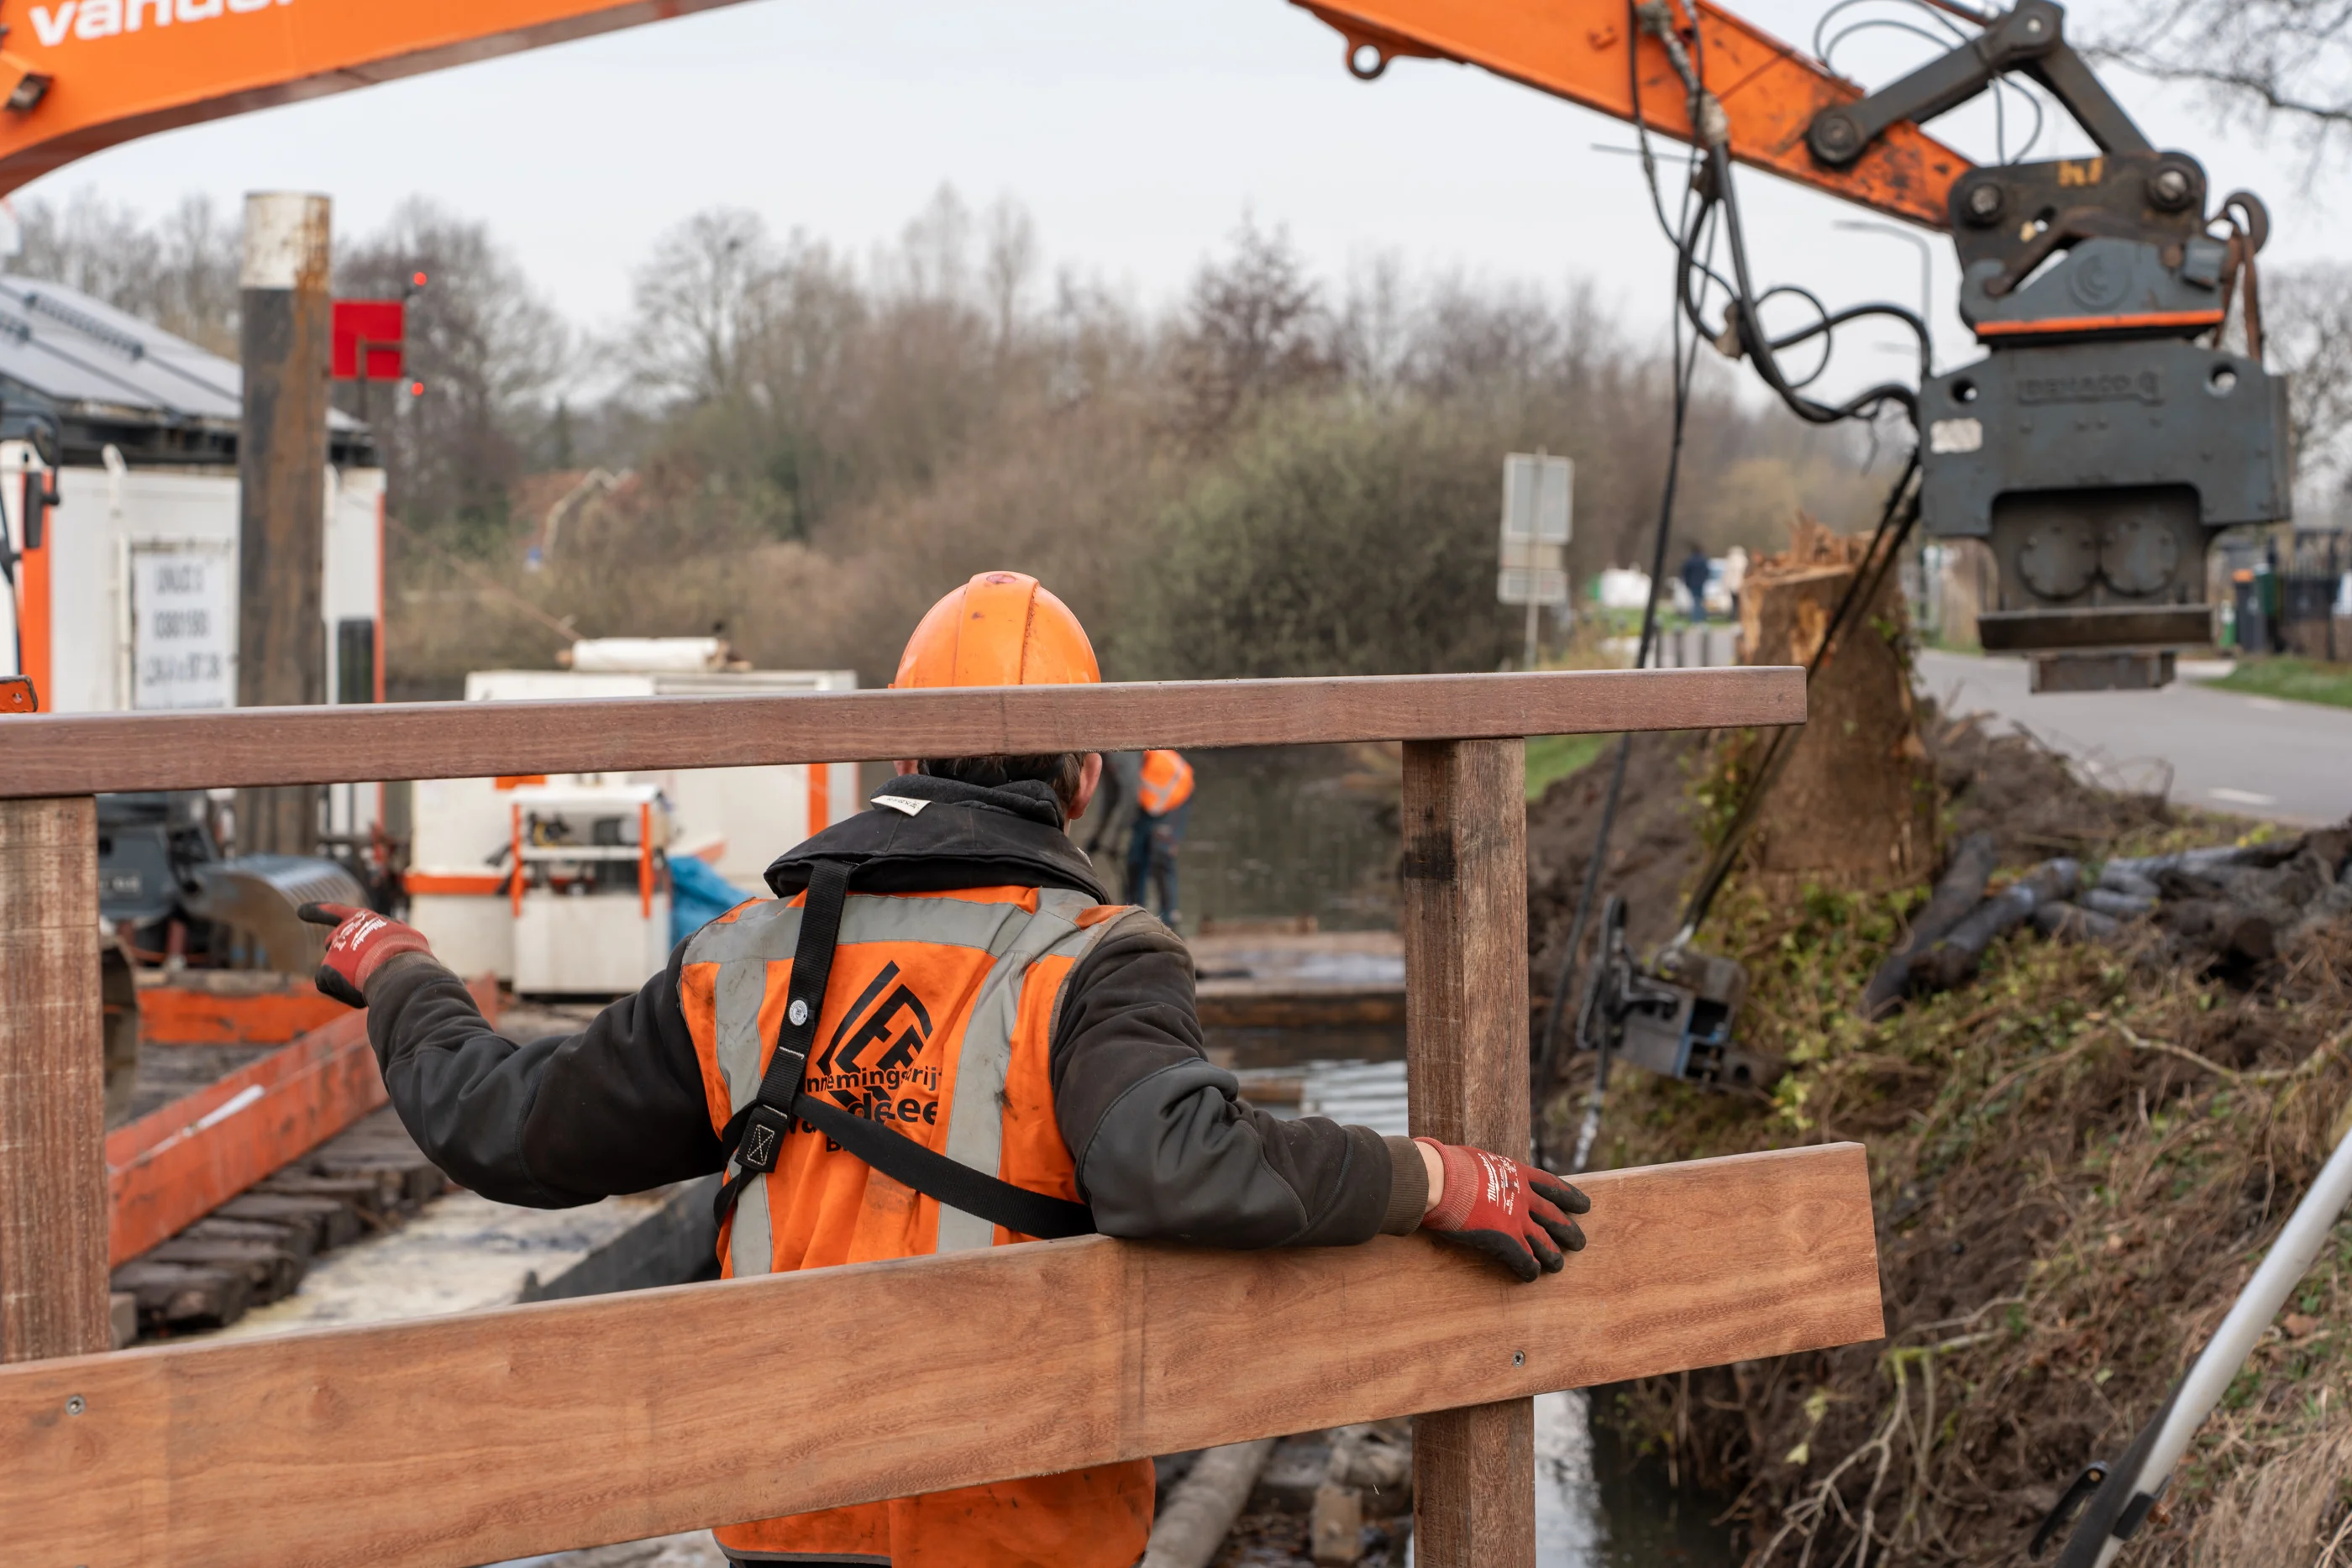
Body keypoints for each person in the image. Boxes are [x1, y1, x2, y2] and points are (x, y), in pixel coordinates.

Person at [301, 569, 1588, 1568]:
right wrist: (1428, 1173)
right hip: (1023, 1530)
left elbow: (504, 1125)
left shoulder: (742, 959)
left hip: (793, 1525)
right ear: (1083, 779)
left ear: (897, 757)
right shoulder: (1094, 960)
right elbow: (1177, 1164)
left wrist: (406, 970)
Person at [1124, 747, 1192, 930]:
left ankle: (1170, 918)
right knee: (1135, 858)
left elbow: (1128, 800)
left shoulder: (1156, 766)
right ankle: (1134, 912)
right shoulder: (1133, 763)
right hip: (1148, 806)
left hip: (1176, 800)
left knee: (1162, 856)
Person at [1678, 543, 1714, 624]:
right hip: (1701, 583)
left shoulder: (1690, 561)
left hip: (1692, 583)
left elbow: (1685, 572)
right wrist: (1704, 579)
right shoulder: (1703, 561)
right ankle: (1701, 618)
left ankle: (1696, 619)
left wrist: (1687, 582)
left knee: (1695, 601)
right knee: (1700, 601)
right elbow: (1707, 572)